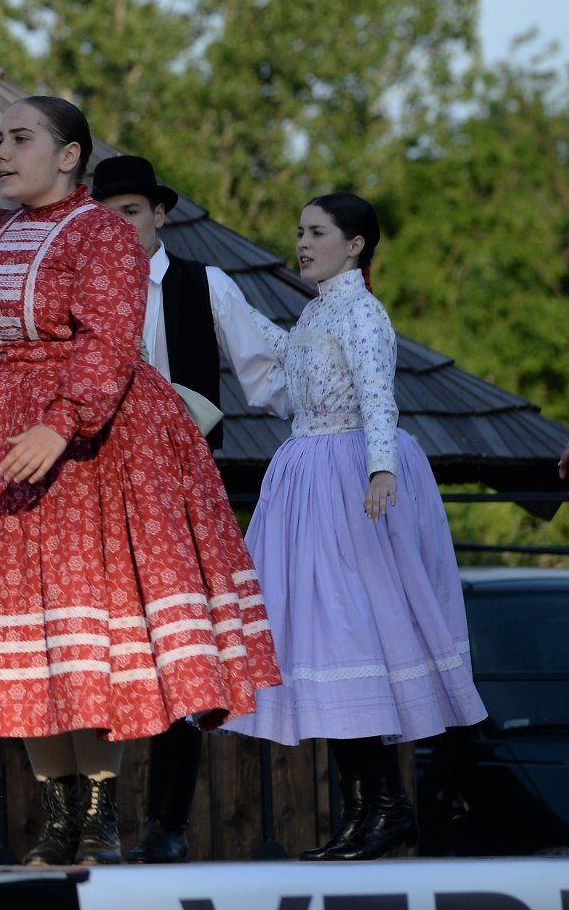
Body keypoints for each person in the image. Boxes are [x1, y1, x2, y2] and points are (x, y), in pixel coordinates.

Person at [0, 97, 280, 867]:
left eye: (20, 139)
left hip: (92, 441)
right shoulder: (9, 230)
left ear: (69, 155)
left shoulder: (104, 233)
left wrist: (63, 421)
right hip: (7, 429)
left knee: (86, 618)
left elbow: (110, 337)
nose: (1, 153)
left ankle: (100, 818)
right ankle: (56, 819)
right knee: (29, 628)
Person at [225, 193, 486, 861]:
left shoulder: (364, 313)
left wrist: (379, 471)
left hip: (345, 482)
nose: (303, 243)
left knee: (351, 636)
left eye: (318, 232)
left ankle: (386, 810)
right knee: (322, 644)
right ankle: (365, 812)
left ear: (356, 244)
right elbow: (287, 375)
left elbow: (378, 395)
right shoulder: (317, 309)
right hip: (308, 484)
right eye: (301, 231)